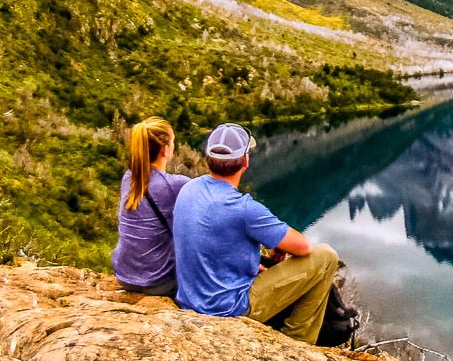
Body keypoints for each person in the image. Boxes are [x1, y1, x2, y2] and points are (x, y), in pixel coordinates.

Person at [173, 123, 340, 344]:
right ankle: (297, 343)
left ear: (208, 158)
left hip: (190, 300)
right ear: (246, 161)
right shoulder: (244, 208)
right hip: (229, 308)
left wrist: (254, 262)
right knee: (326, 257)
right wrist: (276, 245)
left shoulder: (189, 189)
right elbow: (303, 247)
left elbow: (215, 242)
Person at [111, 117, 191, 296]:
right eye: (173, 142)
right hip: (158, 281)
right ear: (165, 149)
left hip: (124, 276)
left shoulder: (129, 177)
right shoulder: (175, 185)